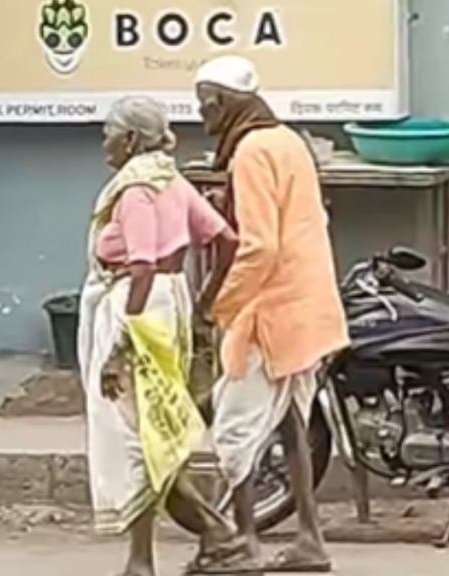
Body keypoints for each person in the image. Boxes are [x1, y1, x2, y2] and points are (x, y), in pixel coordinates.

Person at [192, 55, 350, 573]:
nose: (201, 114)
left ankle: (243, 546)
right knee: (290, 427)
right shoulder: (287, 142)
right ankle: (310, 540)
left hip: (270, 314)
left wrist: (218, 305)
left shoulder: (252, 152)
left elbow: (258, 247)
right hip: (307, 311)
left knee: (235, 433)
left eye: (203, 103)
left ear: (221, 102)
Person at [77, 96, 242, 576]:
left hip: (139, 307)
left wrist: (120, 346)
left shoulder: (137, 191)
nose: (104, 139)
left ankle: (213, 536)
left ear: (130, 139)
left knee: (137, 436)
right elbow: (225, 240)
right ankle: (144, 557)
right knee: (153, 432)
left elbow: (143, 265)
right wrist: (204, 302)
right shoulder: (172, 180)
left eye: (109, 131)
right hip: (169, 304)